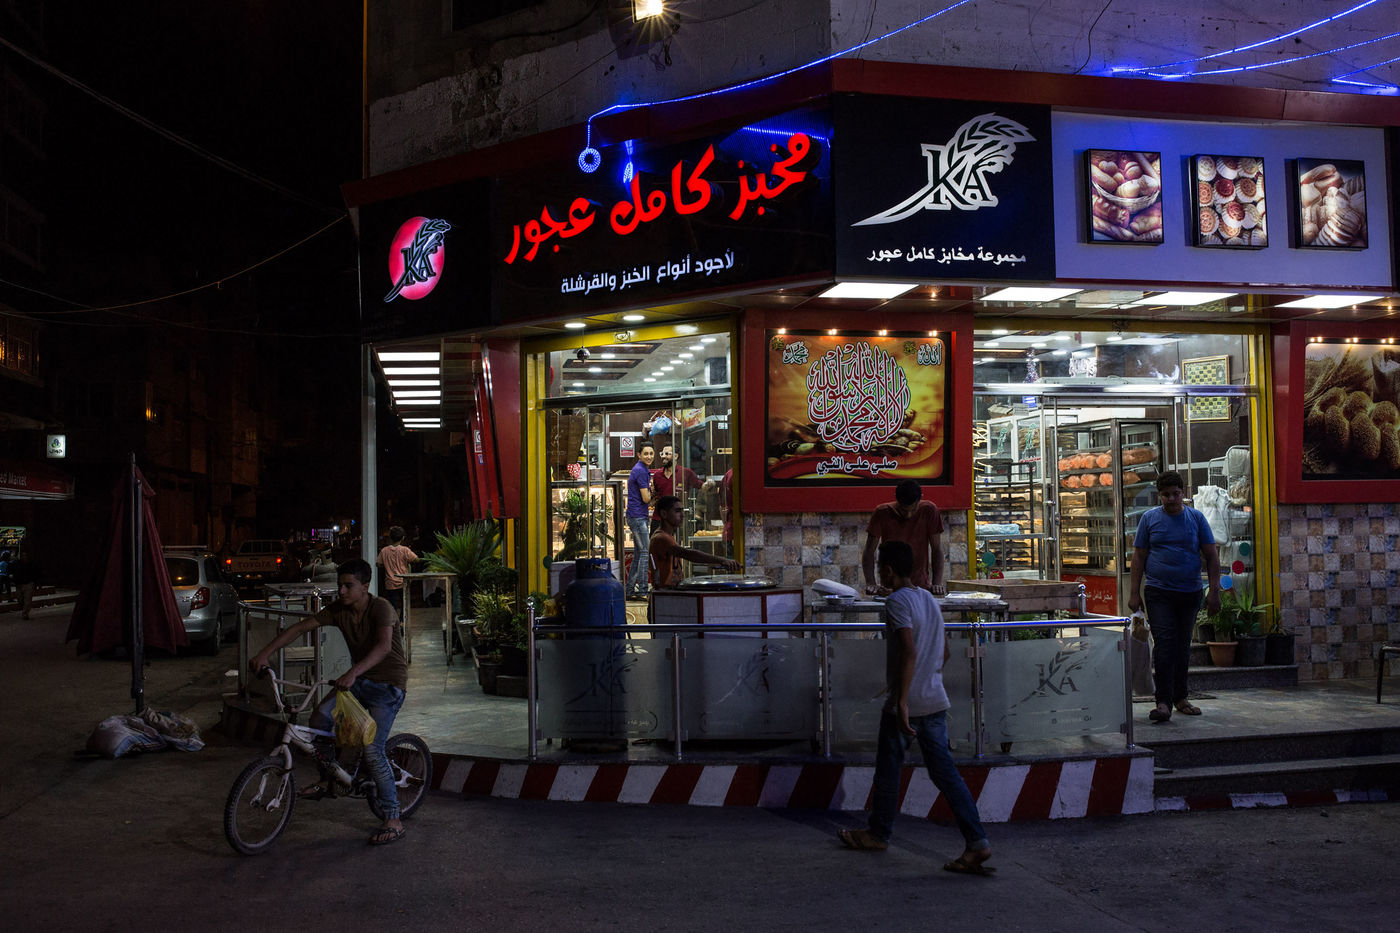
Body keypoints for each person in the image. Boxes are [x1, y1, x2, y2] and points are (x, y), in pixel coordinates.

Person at [837, 540, 993, 875]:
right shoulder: (928, 600)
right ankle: (977, 842)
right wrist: (924, 679)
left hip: (907, 704)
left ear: (888, 570)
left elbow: (908, 650)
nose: (879, 574)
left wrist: (903, 700)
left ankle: (878, 834)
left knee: (888, 771)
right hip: (934, 700)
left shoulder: (896, 602)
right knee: (946, 775)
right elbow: (943, 653)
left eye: (880, 568)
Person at [249, 558, 409, 846]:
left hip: (388, 686)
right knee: (319, 718)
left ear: (365, 586)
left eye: (348, 586)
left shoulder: (381, 608)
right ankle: (329, 779)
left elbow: (384, 647)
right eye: (340, 585)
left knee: (373, 750)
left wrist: (353, 672)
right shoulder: (338, 610)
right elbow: (300, 628)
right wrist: (264, 654)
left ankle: (393, 818)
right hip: (358, 681)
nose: (342, 591)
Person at [1128, 471, 1221, 724]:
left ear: (1183, 493)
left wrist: (1214, 591)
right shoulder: (1149, 519)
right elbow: (1139, 557)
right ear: (1159, 495)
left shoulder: (1196, 519)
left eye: (1176, 494)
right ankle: (1163, 702)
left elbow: (1212, 556)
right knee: (1165, 644)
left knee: (1182, 646)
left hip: (1190, 593)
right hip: (1158, 592)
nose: (1171, 499)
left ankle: (1181, 698)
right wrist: (1134, 592)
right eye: (1166, 495)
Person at [862, 479, 946, 597]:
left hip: (920, 586)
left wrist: (936, 583)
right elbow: (869, 551)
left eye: (913, 510)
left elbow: (936, 549)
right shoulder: (882, 512)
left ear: (920, 499)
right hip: (890, 587)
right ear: (897, 500)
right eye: (903, 510)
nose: (908, 515)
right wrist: (871, 583)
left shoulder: (929, 510)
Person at [648, 495, 739, 588]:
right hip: (665, 592)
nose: (682, 515)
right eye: (677, 511)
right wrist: (721, 560)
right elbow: (688, 554)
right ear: (664, 514)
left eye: (682, 511)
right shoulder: (661, 538)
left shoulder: (668, 536)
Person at [625, 443, 656, 601]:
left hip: (635, 515)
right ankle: (643, 590)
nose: (649, 456)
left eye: (651, 453)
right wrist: (653, 493)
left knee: (638, 554)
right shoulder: (641, 471)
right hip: (638, 516)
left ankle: (630, 590)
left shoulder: (640, 469)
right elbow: (646, 498)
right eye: (646, 454)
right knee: (645, 552)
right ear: (639, 455)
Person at [375, 526, 419, 619]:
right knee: (404, 603)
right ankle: (402, 621)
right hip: (403, 582)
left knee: (392, 605)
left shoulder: (384, 551)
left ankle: (394, 622)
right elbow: (416, 559)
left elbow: (378, 564)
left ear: (390, 538)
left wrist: (387, 564)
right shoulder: (405, 550)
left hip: (390, 583)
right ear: (403, 538)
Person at [10, 553, 36, 619]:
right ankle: (24, 610)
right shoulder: (17, 564)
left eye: (26, 555)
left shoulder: (31, 564)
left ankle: (25, 614)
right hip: (19, 584)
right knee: (20, 599)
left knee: (28, 600)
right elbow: (12, 571)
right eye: (23, 555)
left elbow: (35, 573)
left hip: (29, 583)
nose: (24, 557)